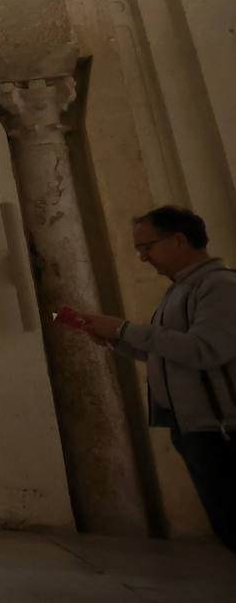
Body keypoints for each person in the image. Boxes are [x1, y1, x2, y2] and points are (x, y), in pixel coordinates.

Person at [77, 206, 236, 553]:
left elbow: (205, 350)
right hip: (195, 425)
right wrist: (116, 340)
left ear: (179, 240)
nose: (143, 258)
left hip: (222, 428)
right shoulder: (179, 291)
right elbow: (168, 356)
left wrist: (125, 329)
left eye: (146, 247)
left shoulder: (220, 285)